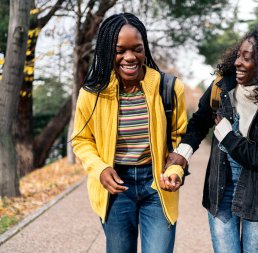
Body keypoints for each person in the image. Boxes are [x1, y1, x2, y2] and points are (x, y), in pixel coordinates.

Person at [163, 22, 258, 252]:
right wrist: (182, 153)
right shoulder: (222, 87)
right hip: (221, 190)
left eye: (247, 58)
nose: (238, 62)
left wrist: (228, 137)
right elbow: (199, 122)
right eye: (238, 55)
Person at [71, 13, 187, 253]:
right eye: (120, 50)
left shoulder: (169, 88)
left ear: (145, 49)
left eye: (137, 49)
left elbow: (180, 138)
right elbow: (82, 140)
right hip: (115, 189)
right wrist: (100, 168)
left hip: (157, 186)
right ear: (106, 51)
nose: (130, 57)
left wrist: (175, 169)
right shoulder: (92, 94)